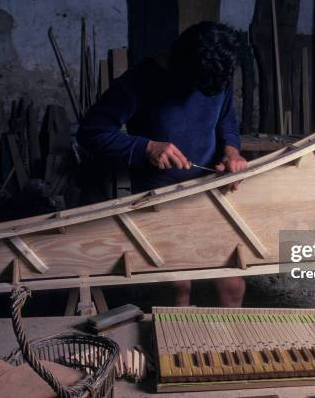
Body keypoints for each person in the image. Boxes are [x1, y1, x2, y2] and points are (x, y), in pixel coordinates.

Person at [77, 22, 247, 307]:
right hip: (160, 199)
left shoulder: (216, 75)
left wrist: (231, 152)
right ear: (181, 65)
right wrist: (146, 147)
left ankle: (227, 349)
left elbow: (226, 120)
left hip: (210, 193)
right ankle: (175, 346)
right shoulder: (139, 81)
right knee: (177, 285)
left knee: (233, 284)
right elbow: (91, 132)